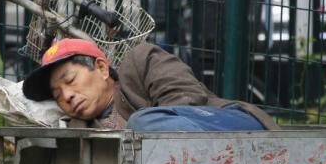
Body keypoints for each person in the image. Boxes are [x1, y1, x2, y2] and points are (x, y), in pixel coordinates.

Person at [21, 38, 278, 131]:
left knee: (143, 124)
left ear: (101, 68)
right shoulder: (83, 131)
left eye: (70, 80)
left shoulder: (140, 61)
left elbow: (187, 98)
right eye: (57, 94)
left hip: (234, 126)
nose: (66, 95)